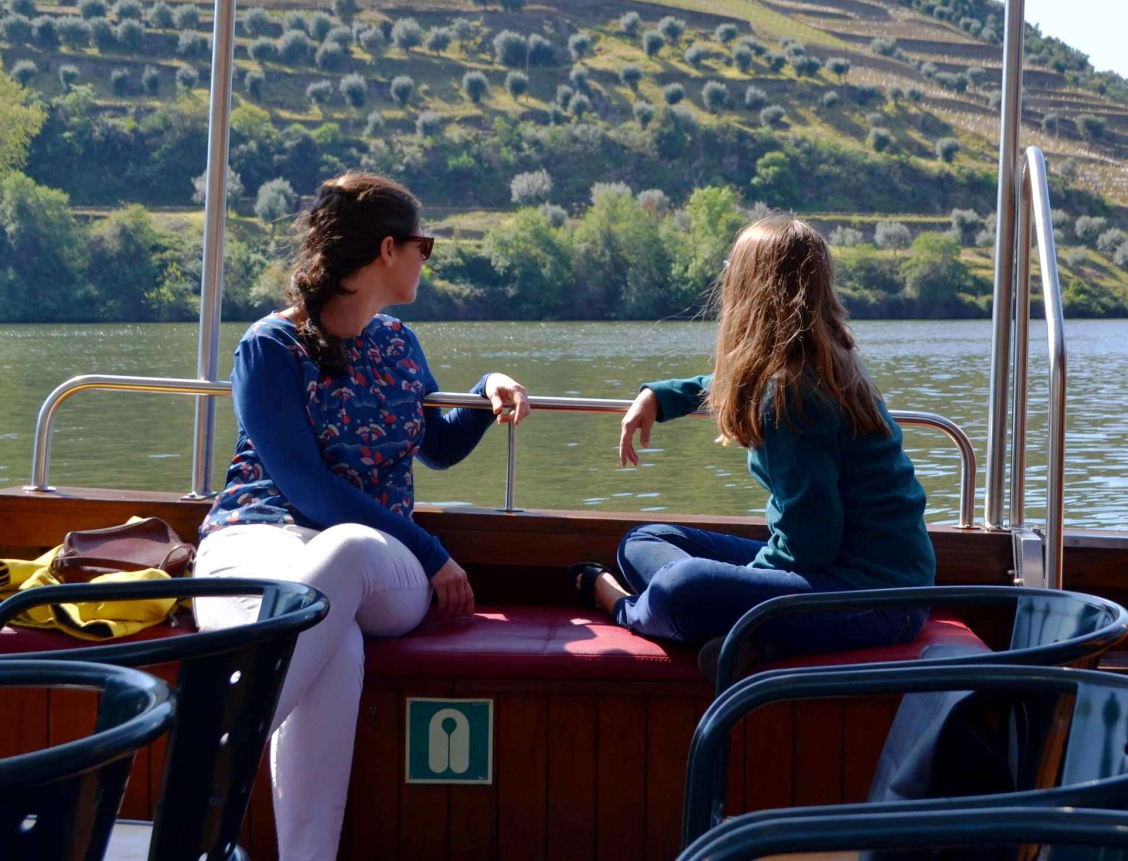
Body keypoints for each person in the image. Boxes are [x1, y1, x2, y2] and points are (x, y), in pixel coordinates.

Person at [193, 172, 531, 861]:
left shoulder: (399, 344)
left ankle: (207, 767)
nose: (425, 259)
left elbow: (434, 446)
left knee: (345, 553)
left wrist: (485, 391)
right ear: (386, 248)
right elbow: (307, 487)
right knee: (335, 641)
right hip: (257, 543)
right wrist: (433, 550)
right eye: (423, 245)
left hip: (376, 563)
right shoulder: (269, 347)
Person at [571, 215, 935, 661]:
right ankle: (748, 636)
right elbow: (729, 382)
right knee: (642, 541)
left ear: (749, 290)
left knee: (682, 587)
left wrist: (739, 583)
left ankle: (619, 603)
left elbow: (810, 544)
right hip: (851, 579)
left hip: (872, 600)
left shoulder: (793, 393)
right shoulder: (816, 365)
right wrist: (660, 396)